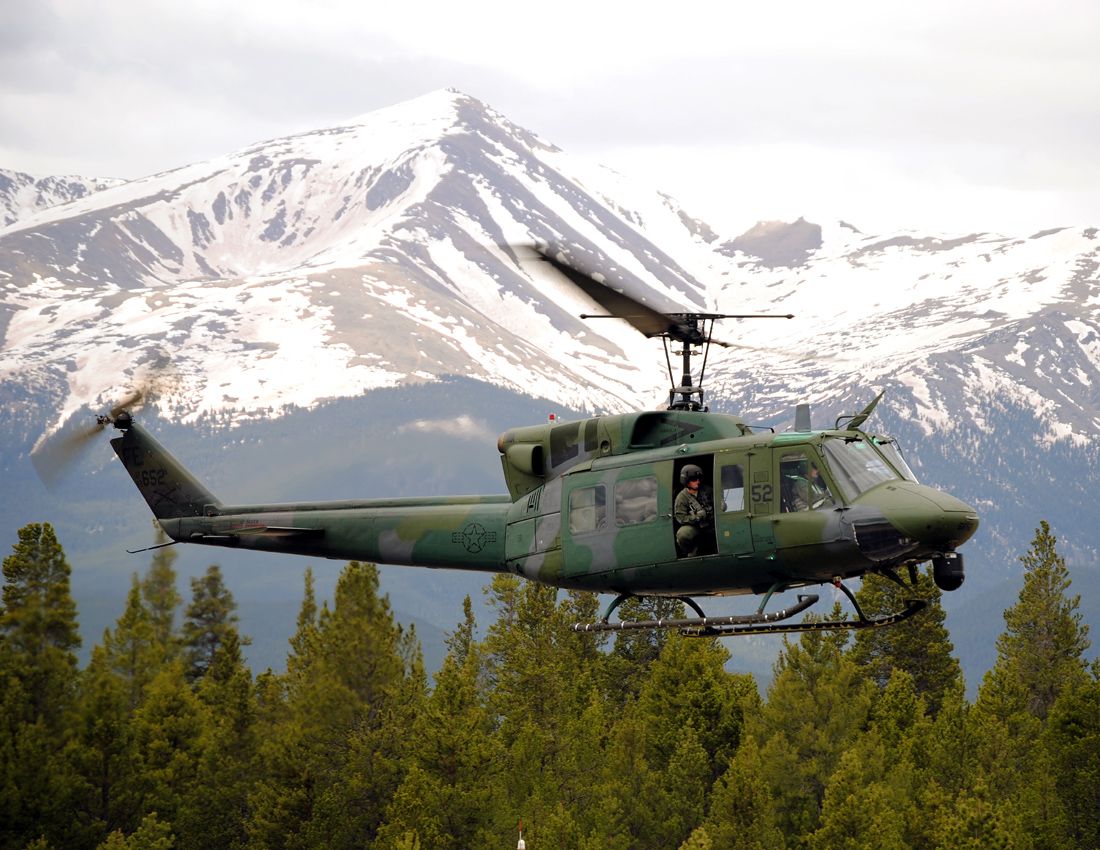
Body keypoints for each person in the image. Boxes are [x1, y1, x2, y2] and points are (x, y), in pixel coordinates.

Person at [675, 464, 713, 556]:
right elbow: (681, 518)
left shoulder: (707, 490)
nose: (697, 482)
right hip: (696, 526)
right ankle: (691, 551)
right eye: (694, 480)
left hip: (712, 523)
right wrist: (697, 517)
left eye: (698, 479)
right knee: (683, 534)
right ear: (687, 482)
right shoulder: (682, 497)